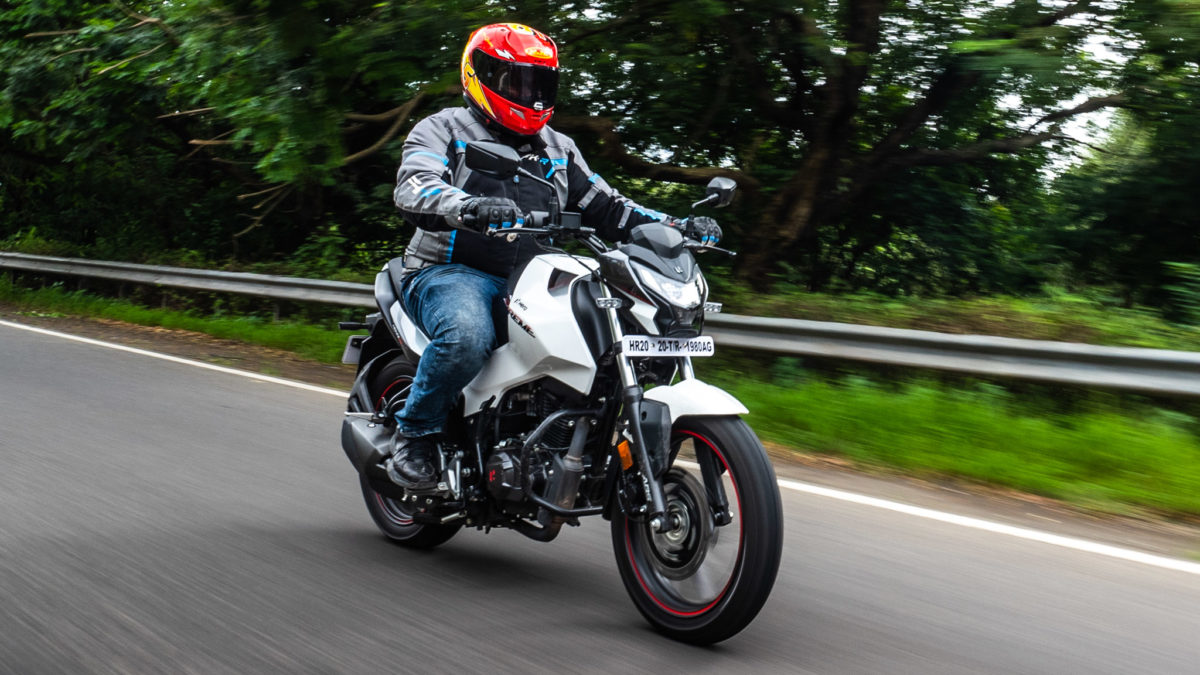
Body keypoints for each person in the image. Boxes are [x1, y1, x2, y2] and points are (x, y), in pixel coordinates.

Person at [387, 22, 722, 490]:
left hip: (533, 276)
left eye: (539, 83)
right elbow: (415, 185)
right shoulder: (442, 128)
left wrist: (676, 227)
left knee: (611, 334)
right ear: (479, 75)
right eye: (516, 81)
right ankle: (415, 435)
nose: (529, 93)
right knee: (466, 336)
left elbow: (610, 207)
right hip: (451, 270)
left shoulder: (559, 149)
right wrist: (465, 205)